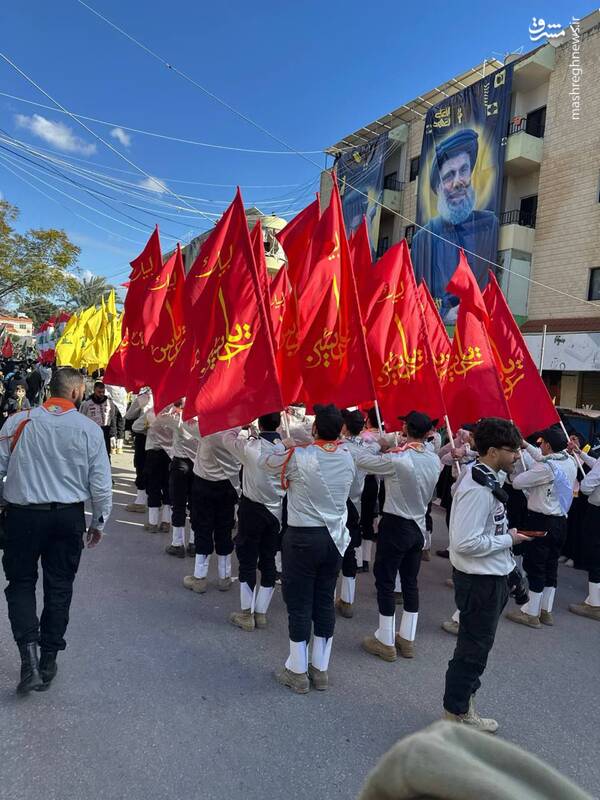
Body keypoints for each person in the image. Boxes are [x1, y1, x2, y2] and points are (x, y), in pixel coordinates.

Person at [0, 366, 112, 694]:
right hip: (67, 518)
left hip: (22, 516)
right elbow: (101, 485)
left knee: (20, 584)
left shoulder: (17, 421)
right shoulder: (88, 430)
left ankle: (29, 659)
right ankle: (48, 660)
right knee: (59, 586)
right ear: (77, 393)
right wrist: (97, 523)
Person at [442, 417, 531, 733]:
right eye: (513, 450)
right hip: (480, 581)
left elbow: (484, 529)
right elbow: (464, 543)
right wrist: (510, 539)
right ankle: (458, 712)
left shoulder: (485, 476)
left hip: (490, 576)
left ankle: (462, 705)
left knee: (475, 646)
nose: (518, 455)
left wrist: (506, 535)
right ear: (493, 451)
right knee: (473, 650)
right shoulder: (478, 487)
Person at [259, 404, 356, 694]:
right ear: (340, 430)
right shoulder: (349, 457)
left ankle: (298, 671)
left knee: (299, 604)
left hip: (303, 538)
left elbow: (266, 463)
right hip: (335, 539)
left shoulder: (299, 456)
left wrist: (284, 442)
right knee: (324, 601)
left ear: (314, 429)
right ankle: (320, 669)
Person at [351, 412, 442, 661]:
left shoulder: (399, 458)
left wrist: (380, 446)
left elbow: (361, 460)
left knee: (386, 581)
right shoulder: (434, 459)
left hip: (396, 523)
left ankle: (386, 639)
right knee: (410, 582)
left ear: (405, 428)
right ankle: (407, 638)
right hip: (418, 525)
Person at [410, 129, 498, 321]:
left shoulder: (489, 225)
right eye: (449, 175)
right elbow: (413, 296)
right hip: (441, 334)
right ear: (439, 187)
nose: (458, 182)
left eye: (463, 171)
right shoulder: (423, 239)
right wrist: (444, 315)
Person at [506, 426, 578, 628]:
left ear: (547, 445)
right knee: (550, 565)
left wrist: (522, 468)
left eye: (542, 443)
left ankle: (531, 612)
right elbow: (542, 458)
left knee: (535, 565)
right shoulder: (569, 460)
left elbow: (518, 482)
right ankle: (546, 610)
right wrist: (525, 445)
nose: (540, 446)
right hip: (560, 521)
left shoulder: (546, 467)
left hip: (541, 520)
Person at [222, 413, 286, 631]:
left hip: (252, 509)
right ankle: (261, 612)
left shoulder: (250, 448)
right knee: (268, 560)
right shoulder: (287, 449)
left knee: (247, 560)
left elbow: (226, 438)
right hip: (276, 511)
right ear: (278, 423)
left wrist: (241, 421)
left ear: (259, 423)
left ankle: (246, 613)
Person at [183, 427, 241, 594]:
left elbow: (185, 423)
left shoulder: (205, 429)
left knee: (203, 529)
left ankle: (200, 577)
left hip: (203, 485)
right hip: (228, 486)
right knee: (225, 529)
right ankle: (225, 576)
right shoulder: (237, 432)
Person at [336, 408, 380, 618]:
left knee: (334, 550)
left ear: (344, 427)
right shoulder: (368, 449)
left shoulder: (338, 448)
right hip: (355, 503)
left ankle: (331, 597)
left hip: (337, 503)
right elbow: (381, 445)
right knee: (351, 550)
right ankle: (347, 599)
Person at [161, 400, 198, 558]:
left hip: (180, 464)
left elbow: (158, 416)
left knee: (179, 504)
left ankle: (177, 543)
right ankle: (194, 542)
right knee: (196, 505)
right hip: (198, 466)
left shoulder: (178, 419)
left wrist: (171, 407)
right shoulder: (202, 419)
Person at [569, 447, 600, 621]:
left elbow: (587, 487)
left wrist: (588, 478)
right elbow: (596, 464)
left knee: (594, 555)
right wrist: (581, 454)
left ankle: (595, 604)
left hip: (597, 513)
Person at [143, 406, 174, 533]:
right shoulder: (175, 415)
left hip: (153, 454)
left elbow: (136, 426)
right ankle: (166, 522)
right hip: (170, 455)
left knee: (153, 487)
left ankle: (152, 523)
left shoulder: (151, 412)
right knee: (168, 487)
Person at [124, 388, 153, 512]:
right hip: (165, 438)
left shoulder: (144, 397)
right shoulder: (172, 396)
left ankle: (141, 501)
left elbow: (129, 415)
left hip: (144, 435)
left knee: (141, 466)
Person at [79, 380, 117, 458]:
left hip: (105, 429)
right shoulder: (86, 403)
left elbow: (112, 416)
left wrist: (113, 433)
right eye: (99, 392)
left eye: (103, 392)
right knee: (92, 454)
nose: (101, 394)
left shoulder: (109, 402)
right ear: (94, 390)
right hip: (91, 430)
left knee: (106, 453)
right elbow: (81, 417)